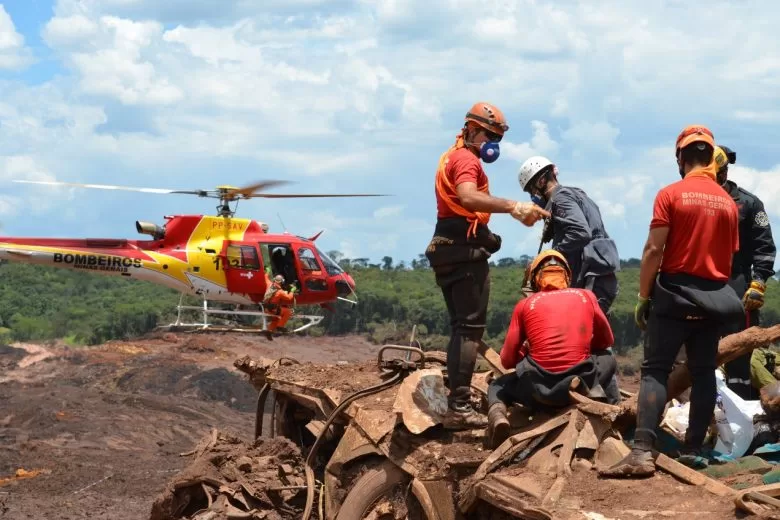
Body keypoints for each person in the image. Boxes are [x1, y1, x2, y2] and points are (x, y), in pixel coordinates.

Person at [601, 125, 743, 478]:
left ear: (680, 158)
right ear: (711, 158)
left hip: (674, 294)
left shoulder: (670, 194)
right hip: (713, 298)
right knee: (703, 371)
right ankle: (694, 449)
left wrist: (644, 296)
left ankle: (642, 452)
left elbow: (654, 249)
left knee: (655, 371)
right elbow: (729, 258)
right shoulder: (728, 203)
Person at [424, 101, 550, 428]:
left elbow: (458, 212)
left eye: (497, 138)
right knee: (469, 329)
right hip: (463, 256)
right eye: (489, 135)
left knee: (460, 328)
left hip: (447, 244)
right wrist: (514, 207)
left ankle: (457, 400)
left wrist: (485, 235)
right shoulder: (466, 160)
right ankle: (460, 407)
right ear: (471, 129)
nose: (492, 144)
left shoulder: (451, 157)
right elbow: (467, 197)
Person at [486, 250, 617, 448]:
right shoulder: (586, 296)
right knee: (607, 357)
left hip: (539, 392)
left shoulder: (524, 305)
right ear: (566, 275)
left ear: (535, 279)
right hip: (579, 382)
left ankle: (498, 418)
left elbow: (506, 361)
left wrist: (527, 351)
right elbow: (606, 340)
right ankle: (596, 395)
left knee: (497, 386)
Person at [712, 145, 777, 400]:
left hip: (737, 282)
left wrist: (758, 282)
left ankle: (744, 407)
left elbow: (764, 247)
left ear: (725, 172)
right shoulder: (692, 199)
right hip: (700, 282)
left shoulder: (749, 204)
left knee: (740, 350)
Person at [517, 156, 621, 314]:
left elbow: (581, 233)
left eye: (531, 191)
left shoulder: (561, 199)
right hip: (599, 277)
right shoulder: (576, 194)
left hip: (590, 279)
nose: (533, 196)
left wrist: (551, 256)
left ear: (540, 182)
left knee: (582, 333)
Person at [263, 273, 296, 340]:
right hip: (273, 311)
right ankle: (280, 326)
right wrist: (292, 291)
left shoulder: (269, 285)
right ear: (282, 282)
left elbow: (265, 277)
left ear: (274, 280)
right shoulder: (280, 292)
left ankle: (269, 331)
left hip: (266, 309)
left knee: (276, 319)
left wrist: (267, 272)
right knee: (288, 312)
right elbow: (289, 298)